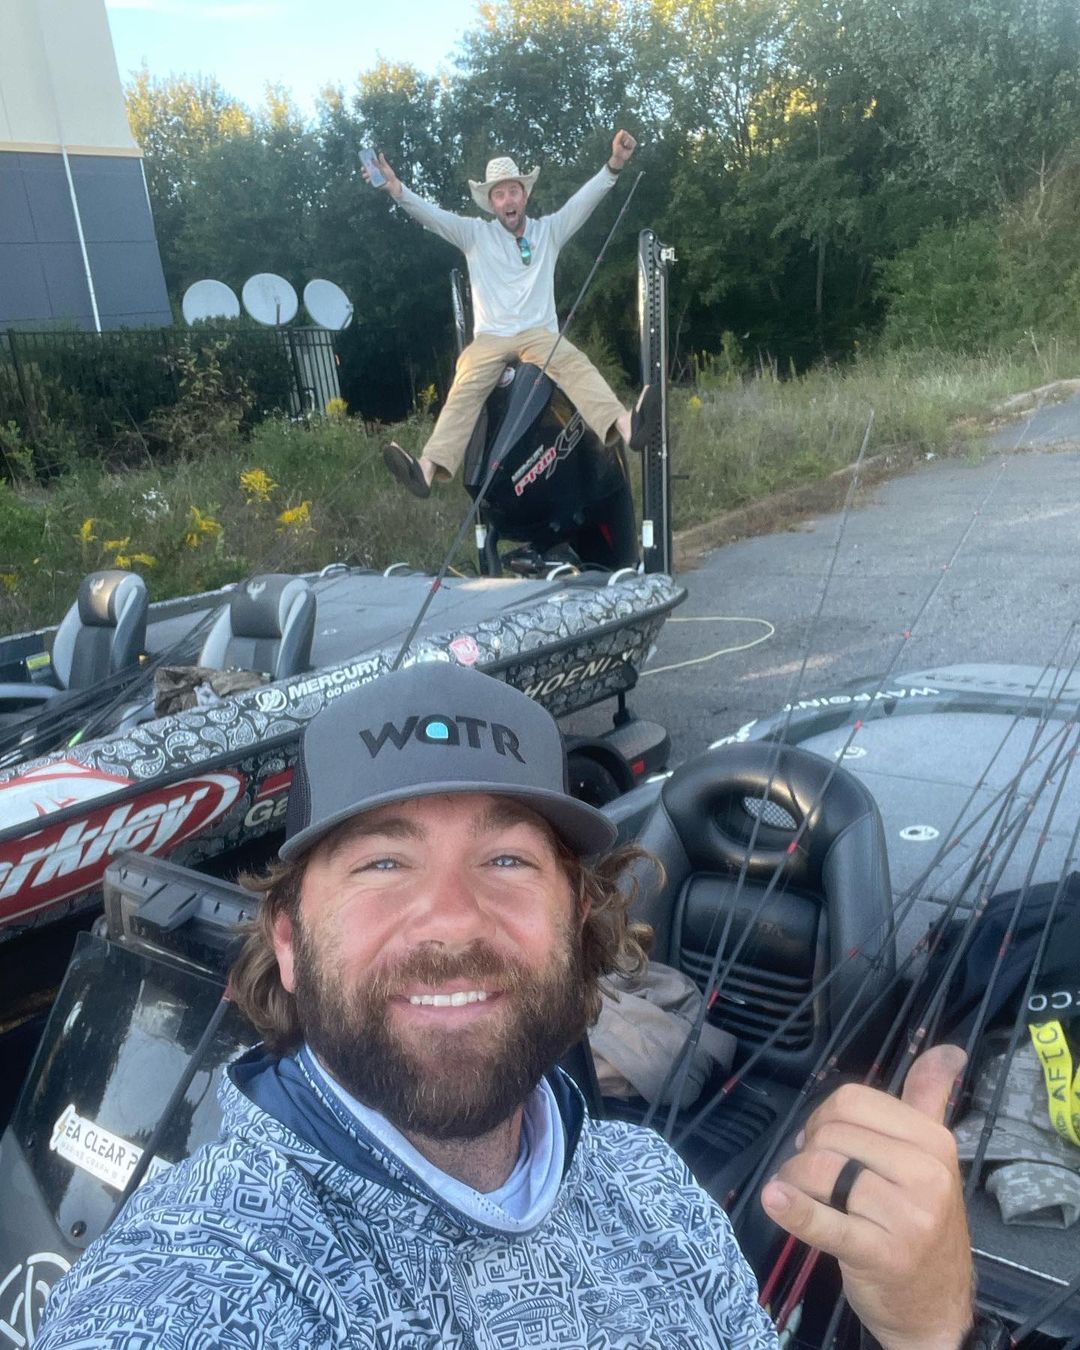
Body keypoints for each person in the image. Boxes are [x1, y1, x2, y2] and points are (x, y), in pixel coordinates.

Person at [37, 663, 982, 1348]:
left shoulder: (650, 1185)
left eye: (506, 859)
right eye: (383, 862)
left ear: (577, 923)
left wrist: (923, 1329)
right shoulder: (186, 1291)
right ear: (287, 941)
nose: (453, 916)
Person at [364, 132, 661, 498]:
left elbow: (583, 202)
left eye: (513, 191)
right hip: (490, 338)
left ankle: (628, 425)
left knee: (573, 362)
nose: (508, 199)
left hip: (538, 333)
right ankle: (425, 469)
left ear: (525, 196)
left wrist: (614, 165)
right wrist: (396, 189)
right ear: (491, 203)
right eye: (500, 194)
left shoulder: (548, 231)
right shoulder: (474, 234)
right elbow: (431, 216)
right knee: (465, 384)